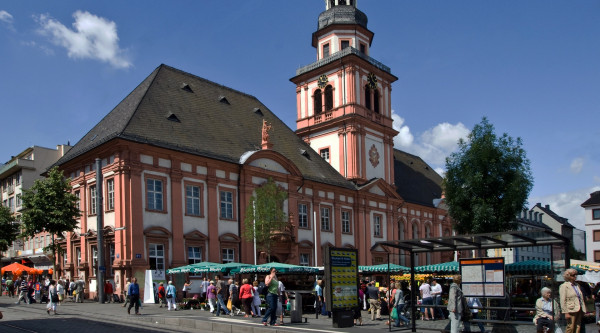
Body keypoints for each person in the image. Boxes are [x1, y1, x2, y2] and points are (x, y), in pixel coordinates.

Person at [560, 268, 586, 333]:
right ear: (568, 276)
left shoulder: (577, 285)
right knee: (570, 327)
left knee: (578, 326)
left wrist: (583, 308)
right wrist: (565, 312)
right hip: (571, 309)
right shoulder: (564, 286)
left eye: (575, 275)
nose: (575, 276)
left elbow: (580, 298)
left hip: (579, 308)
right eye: (573, 275)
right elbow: (562, 300)